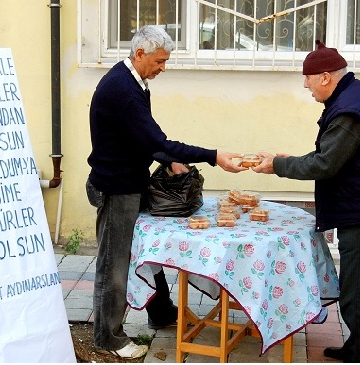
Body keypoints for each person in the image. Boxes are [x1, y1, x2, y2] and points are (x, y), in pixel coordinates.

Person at [85, 25, 247, 359]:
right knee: (113, 267)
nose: (163, 68)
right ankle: (107, 337)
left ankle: (160, 310)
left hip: (131, 182)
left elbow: (148, 134)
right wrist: (212, 156)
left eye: (166, 61)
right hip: (116, 189)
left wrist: (170, 159)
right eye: (159, 61)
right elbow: (155, 140)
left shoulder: (133, 81)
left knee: (150, 247)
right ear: (140, 53)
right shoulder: (122, 89)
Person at [252, 40, 360, 363]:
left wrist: (278, 166)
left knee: (358, 293)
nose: (305, 85)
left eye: (308, 78)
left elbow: (327, 164)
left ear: (325, 77)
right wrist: (294, 158)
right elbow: (338, 154)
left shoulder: (349, 110)